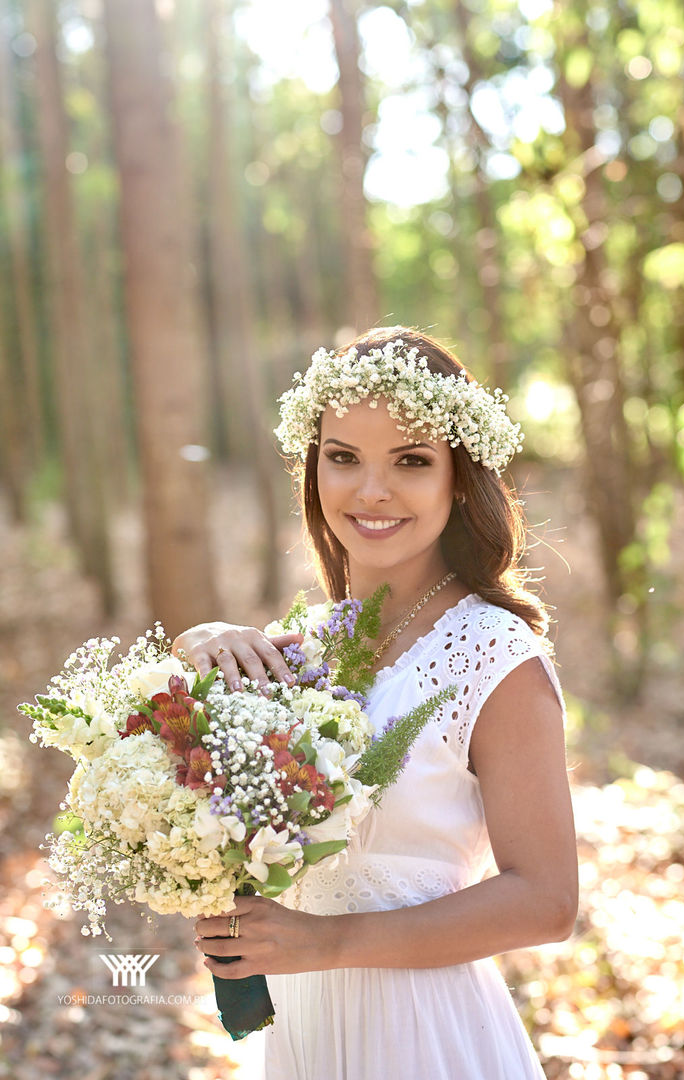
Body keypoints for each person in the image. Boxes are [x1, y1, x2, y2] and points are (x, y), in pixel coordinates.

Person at [175, 326, 578, 1079]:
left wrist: (325, 943)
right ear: (313, 469)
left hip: (422, 1034)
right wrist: (198, 647)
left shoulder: (494, 655)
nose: (370, 491)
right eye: (343, 458)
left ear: (459, 477)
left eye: (411, 461)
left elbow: (547, 901)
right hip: (300, 1031)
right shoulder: (304, 648)